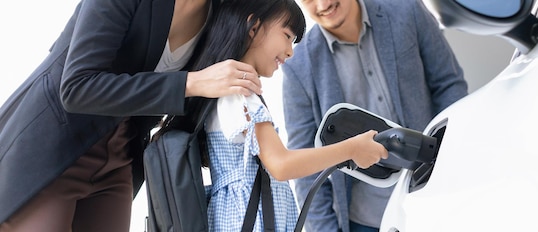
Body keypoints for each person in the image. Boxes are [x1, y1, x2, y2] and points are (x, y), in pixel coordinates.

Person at [0, 0, 265, 231]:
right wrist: (189, 83)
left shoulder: (221, 11)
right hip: (56, 148)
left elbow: (274, 18)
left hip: (121, 156)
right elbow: (77, 88)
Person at [174, 0, 388, 230]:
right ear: (253, 27)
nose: (290, 51)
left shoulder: (230, 92)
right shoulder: (239, 94)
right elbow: (281, 164)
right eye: (287, 36)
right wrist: (352, 149)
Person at [281, 0, 470, 231]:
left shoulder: (407, 10)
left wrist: (453, 157)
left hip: (439, 192)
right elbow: (305, 162)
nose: (324, 4)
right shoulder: (297, 66)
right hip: (367, 220)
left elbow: (449, 83)